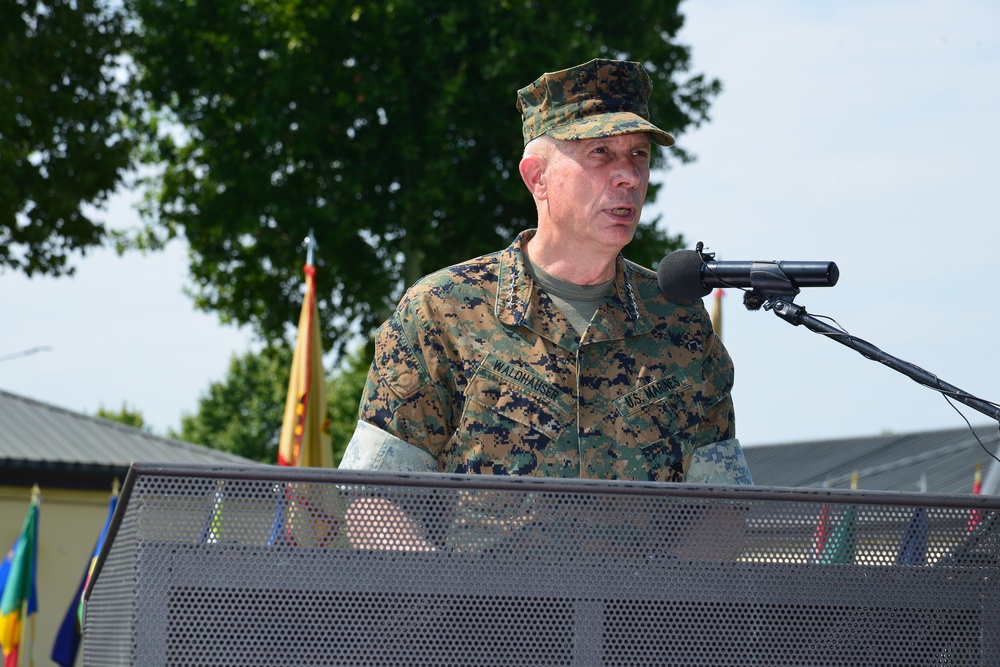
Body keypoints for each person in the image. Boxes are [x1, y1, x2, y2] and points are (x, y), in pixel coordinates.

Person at [340, 58, 752, 486]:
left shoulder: (678, 319)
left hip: (643, 558)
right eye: (600, 153)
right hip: (477, 557)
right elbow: (374, 496)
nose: (629, 176)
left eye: (639, 155)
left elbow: (721, 506)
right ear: (538, 177)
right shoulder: (442, 311)